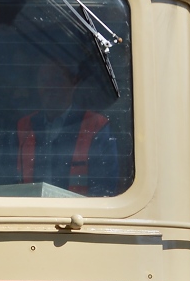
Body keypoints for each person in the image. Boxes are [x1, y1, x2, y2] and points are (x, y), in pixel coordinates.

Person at [16, 59, 119, 196]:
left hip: (79, 214)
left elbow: (104, 188)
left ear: (73, 83)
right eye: (44, 80)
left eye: (57, 79)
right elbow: (9, 180)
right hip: (30, 214)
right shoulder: (24, 126)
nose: (50, 87)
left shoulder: (96, 126)